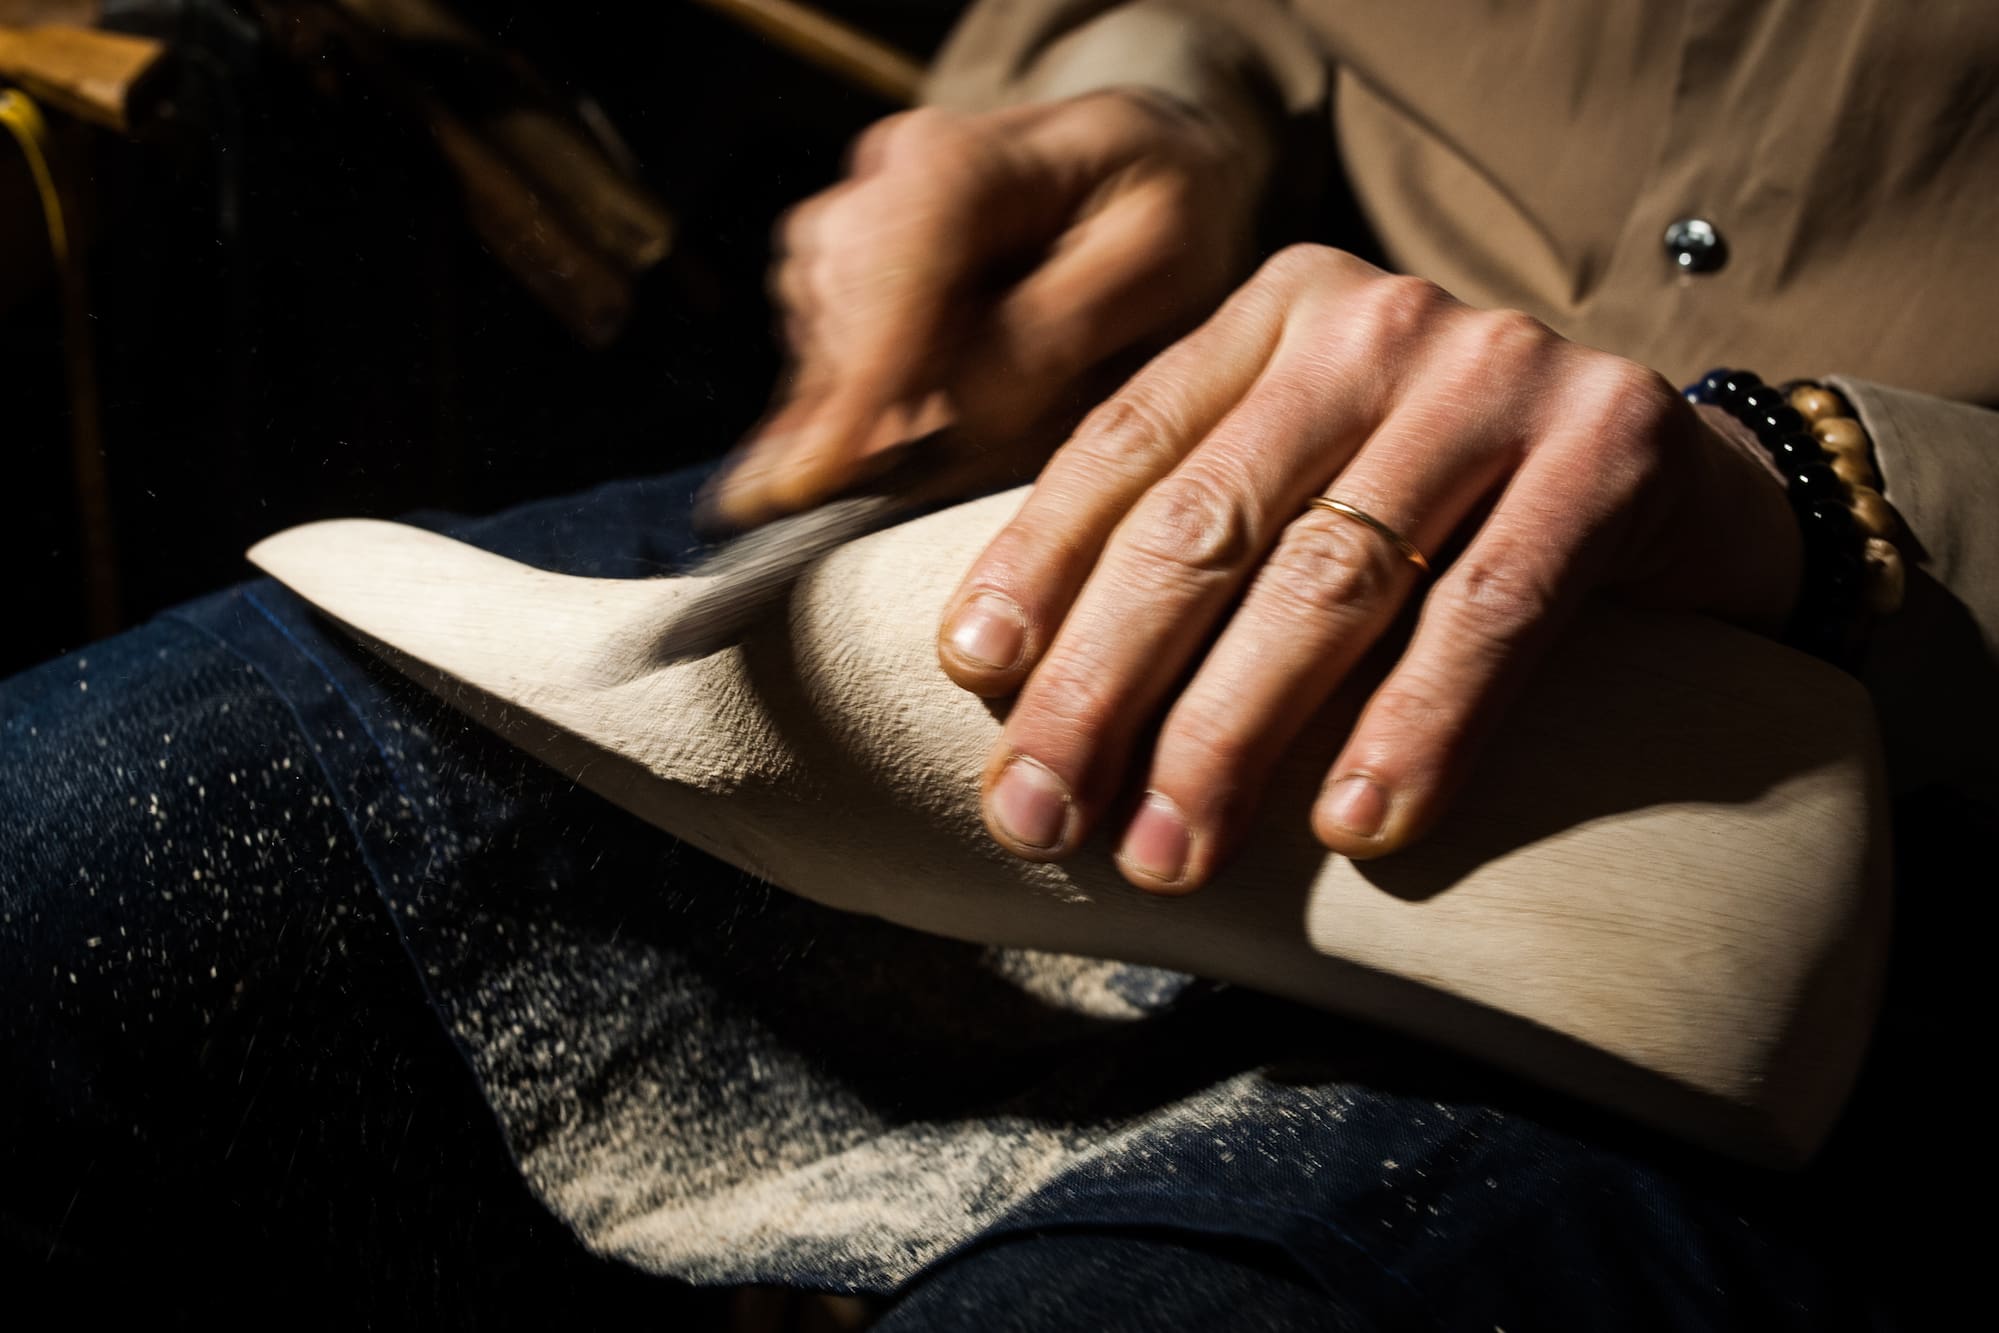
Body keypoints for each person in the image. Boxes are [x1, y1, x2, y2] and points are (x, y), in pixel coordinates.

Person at [4, 1, 1994, 1326]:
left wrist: (1830, 490)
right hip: (1157, 472)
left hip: (1877, 757)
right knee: (43, 863)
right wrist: (1147, 106)